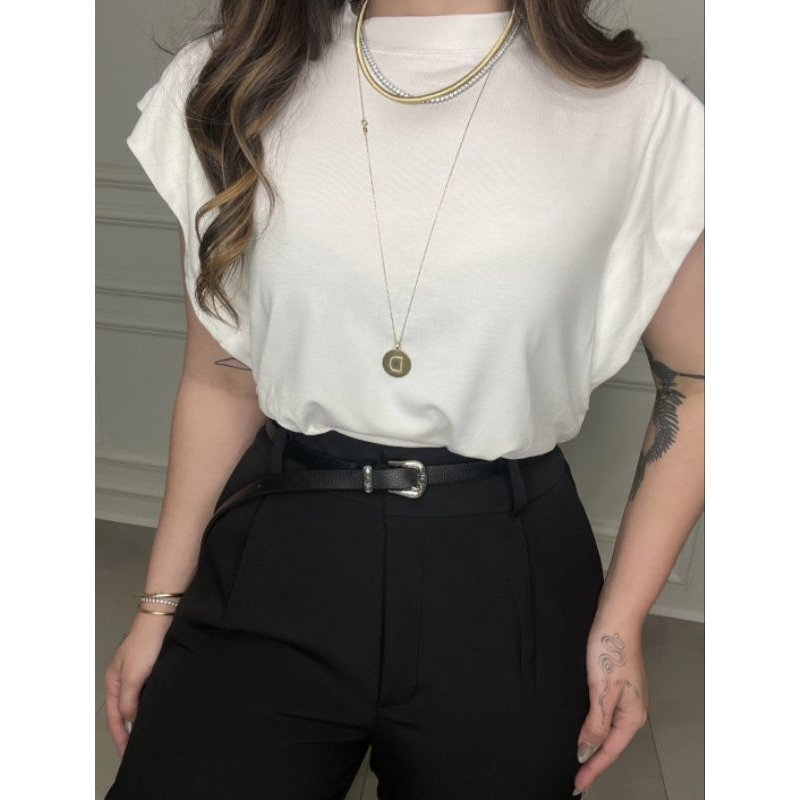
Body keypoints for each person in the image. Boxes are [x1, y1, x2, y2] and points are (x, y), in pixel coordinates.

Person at [103, 0, 704, 797]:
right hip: (279, 543)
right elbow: (220, 377)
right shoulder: (233, 79)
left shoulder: (641, 109)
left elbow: (700, 379)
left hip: (507, 571)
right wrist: (158, 605)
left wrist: (621, 624)